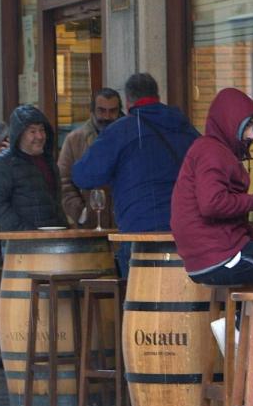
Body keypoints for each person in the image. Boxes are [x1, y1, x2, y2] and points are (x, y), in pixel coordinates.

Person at [72, 73, 199, 277]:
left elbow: (84, 176)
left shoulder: (121, 131)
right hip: (188, 231)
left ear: (128, 102)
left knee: (140, 303)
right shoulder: (185, 128)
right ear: (157, 96)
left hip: (140, 231)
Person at [171, 88, 253, 288]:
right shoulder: (212, 151)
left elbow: (234, 225)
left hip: (206, 257)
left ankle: (244, 318)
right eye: (247, 126)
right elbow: (211, 204)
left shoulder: (211, 150)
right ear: (230, 122)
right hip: (219, 256)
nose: (251, 135)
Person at [0, 105, 69, 230]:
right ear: (19, 135)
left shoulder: (48, 160)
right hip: (21, 244)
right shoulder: (3, 163)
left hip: (55, 240)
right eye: (33, 131)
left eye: (42, 130)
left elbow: (56, 202)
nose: (40, 136)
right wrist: (26, 232)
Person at [58, 88, 122, 228]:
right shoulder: (74, 140)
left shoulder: (128, 138)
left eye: (112, 111)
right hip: (90, 227)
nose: (107, 116)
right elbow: (63, 181)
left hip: (124, 225)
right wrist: (81, 212)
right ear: (92, 111)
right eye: (101, 110)